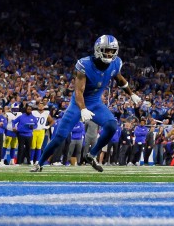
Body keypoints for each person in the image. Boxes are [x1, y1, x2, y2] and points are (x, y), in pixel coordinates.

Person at [48, 35, 143, 172]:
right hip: (80, 104)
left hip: (95, 105)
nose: (109, 53)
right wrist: (82, 108)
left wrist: (131, 93)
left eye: (112, 50)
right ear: (98, 49)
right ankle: (42, 162)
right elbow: (79, 91)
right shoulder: (85, 64)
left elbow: (120, 80)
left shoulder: (115, 64)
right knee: (62, 136)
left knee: (110, 126)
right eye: (106, 50)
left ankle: (91, 155)